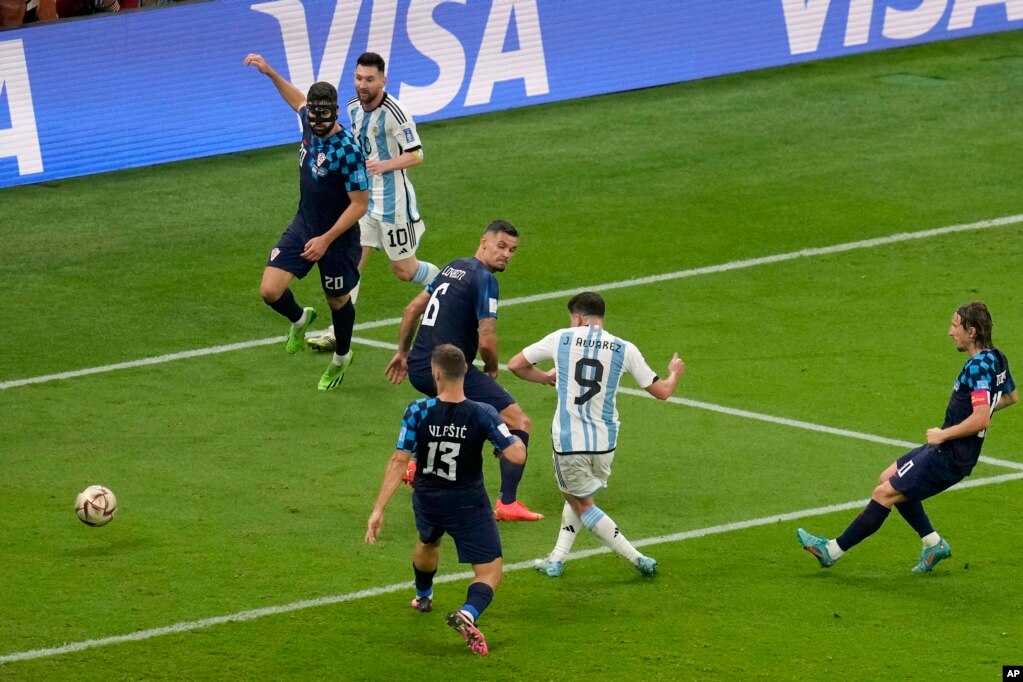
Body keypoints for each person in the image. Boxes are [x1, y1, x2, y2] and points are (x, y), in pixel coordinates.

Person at [798, 301, 1017, 572]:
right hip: (951, 449)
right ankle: (932, 543)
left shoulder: (976, 367)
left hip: (950, 454)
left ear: (971, 332)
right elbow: (1009, 397)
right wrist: (973, 416)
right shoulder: (997, 357)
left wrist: (945, 433)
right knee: (887, 477)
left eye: (955, 326)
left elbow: (981, 418)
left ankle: (831, 550)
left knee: (884, 493)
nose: (950, 332)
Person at [507, 292, 685, 577]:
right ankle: (556, 559)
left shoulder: (562, 338)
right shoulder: (624, 348)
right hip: (605, 443)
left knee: (582, 503)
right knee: (578, 498)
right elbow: (662, 391)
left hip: (569, 441)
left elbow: (516, 365)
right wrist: (674, 373)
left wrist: (546, 377)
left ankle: (637, 558)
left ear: (577, 317)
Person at [366, 344, 527, 656]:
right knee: (490, 571)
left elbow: (399, 461)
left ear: (435, 373)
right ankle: (467, 613)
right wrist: (509, 439)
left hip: (427, 498)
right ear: (465, 371)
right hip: (468, 503)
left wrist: (378, 509)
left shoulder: (417, 410)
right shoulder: (483, 413)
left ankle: (423, 595)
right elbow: (516, 456)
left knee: (429, 541)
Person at [385, 219, 544, 521]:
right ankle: (508, 504)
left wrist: (403, 353)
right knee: (518, 421)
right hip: (449, 370)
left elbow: (411, 310)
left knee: (463, 412)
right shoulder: (484, 279)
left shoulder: (453, 266)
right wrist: (493, 370)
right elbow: (487, 337)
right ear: (484, 241)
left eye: (512, 250)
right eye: (501, 246)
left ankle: (418, 465)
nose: (507, 254)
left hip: (421, 368)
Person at [244, 54, 369, 391]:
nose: (315, 119)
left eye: (323, 114)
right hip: (304, 225)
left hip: (338, 239)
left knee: (337, 301)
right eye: (313, 113)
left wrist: (326, 239)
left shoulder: (348, 151)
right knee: (269, 291)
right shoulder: (308, 121)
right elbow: (296, 99)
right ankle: (300, 318)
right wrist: (270, 72)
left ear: (336, 113)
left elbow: (360, 205)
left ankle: (342, 358)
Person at [306, 52, 439, 352]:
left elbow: (417, 155)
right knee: (352, 265)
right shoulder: (351, 108)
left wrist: (384, 165)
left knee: (405, 271)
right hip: (362, 202)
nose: (362, 85)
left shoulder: (396, 112)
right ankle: (339, 332)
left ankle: (447, 284)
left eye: (369, 79)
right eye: (358, 78)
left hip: (393, 203)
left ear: (382, 80)